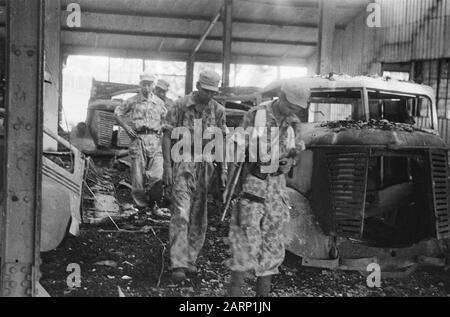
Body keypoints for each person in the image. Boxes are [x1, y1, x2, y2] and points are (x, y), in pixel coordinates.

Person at [227, 80, 308, 297]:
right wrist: (230, 181)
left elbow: (296, 153)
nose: (293, 112)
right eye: (291, 106)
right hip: (254, 184)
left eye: (298, 109)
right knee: (243, 246)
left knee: (272, 247)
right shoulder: (256, 115)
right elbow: (236, 148)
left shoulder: (294, 123)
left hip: (277, 189)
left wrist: (290, 162)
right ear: (281, 97)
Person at [162, 70, 228, 282]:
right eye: (206, 90)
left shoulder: (218, 110)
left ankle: (191, 259)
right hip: (182, 163)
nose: (209, 95)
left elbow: (221, 142)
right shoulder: (180, 105)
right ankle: (178, 263)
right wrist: (167, 167)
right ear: (198, 85)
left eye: (213, 92)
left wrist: (223, 170)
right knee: (181, 213)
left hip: (206, 166)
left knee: (199, 216)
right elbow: (166, 135)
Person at [115, 71, 167, 208]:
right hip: (138, 140)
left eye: (149, 84)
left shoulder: (160, 103)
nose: (146, 87)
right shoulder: (132, 101)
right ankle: (140, 207)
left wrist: (162, 128)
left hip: (155, 140)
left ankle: (154, 203)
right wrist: (126, 127)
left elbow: (167, 119)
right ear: (140, 85)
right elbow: (118, 113)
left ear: (154, 86)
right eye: (144, 84)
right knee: (137, 178)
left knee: (157, 175)